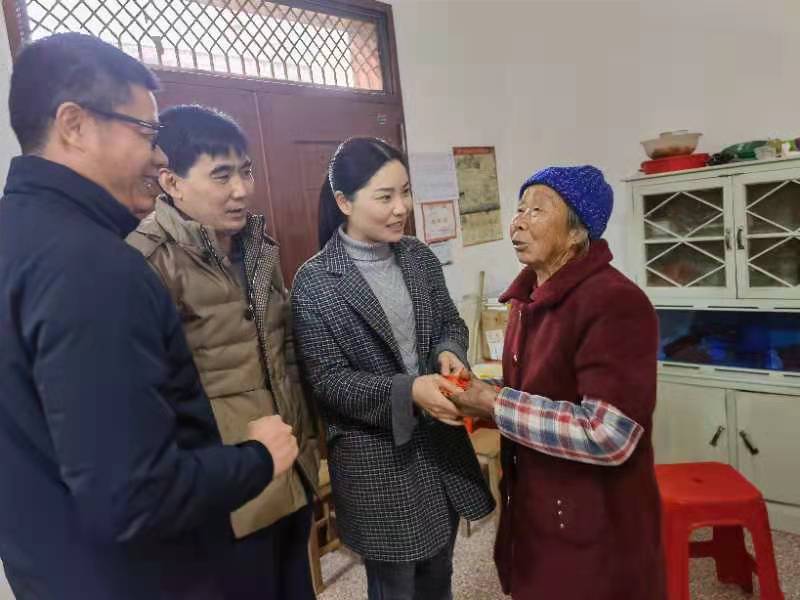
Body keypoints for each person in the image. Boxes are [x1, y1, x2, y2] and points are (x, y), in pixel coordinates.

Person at [0, 33, 297, 600]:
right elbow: (132, 495)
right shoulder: (94, 266)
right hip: (136, 576)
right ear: (74, 125)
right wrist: (257, 459)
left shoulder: (21, 237)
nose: (159, 157)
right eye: (145, 132)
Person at [127, 104, 320, 599]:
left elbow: (285, 351)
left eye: (245, 171)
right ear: (171, 182)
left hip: (289, 467)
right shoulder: (147, 262)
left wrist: (307, 443)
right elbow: (149, 399)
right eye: (221, 175)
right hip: (223, 493)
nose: (242, 189)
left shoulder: (256, 246)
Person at [291, 137, 495, 600]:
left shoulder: (418, 257)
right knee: (394, 586)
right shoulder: (315, 281)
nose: (401, 208)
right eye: (385, 197)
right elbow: (329, 382)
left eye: (405, 192)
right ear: (344, 202)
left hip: (437, 447)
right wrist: (410, 392)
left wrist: (449, 352)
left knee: (439, 574)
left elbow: (449, 322)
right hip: (376, 462)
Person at [451, 166, 666, 600]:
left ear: (576, 233)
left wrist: (494, 404)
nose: (518, 222)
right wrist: (475, 397)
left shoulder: (615, 302)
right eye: (519, 209)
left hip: (595, 529)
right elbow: (540, 392)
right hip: (536, 511)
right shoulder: (527, 299)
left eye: (537, 210)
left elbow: (608, 434)